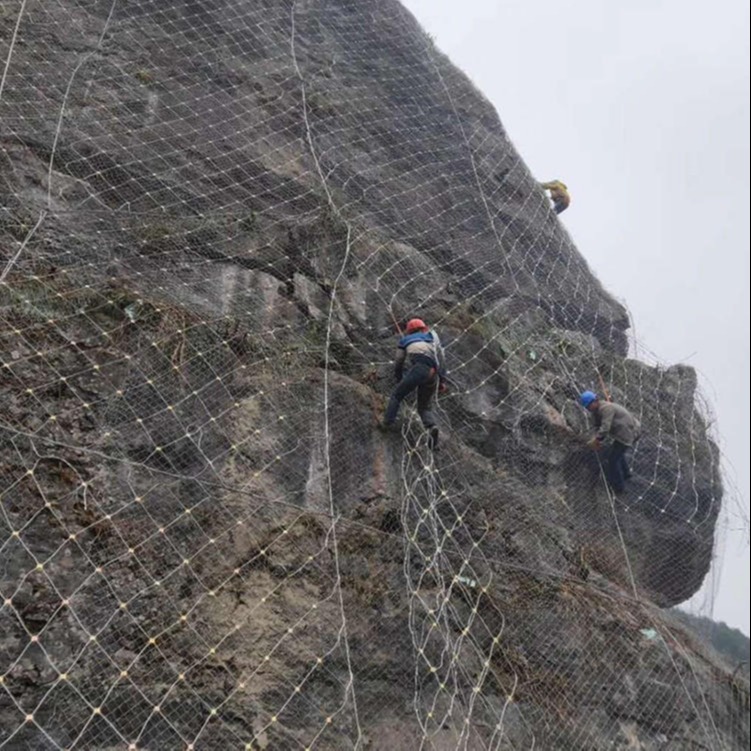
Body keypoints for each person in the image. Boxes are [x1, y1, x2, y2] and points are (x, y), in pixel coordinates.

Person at [382, 318, 446, 450]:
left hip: (420, 369)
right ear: (423, 328)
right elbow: (441, 359)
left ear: (409, 331)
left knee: (397, 396)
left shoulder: (405, 340)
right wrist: (442, 381)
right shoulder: (431, 338)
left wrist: (399, 378)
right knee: (424, 407)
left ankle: (387, 422)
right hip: (433, 373)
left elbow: (399, 362)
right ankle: (432, 429)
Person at [579, 391, 641, 493]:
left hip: (628, 433)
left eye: (588, 406)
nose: (588, 409)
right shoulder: (597, 411)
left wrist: (597, 440)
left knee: (612, 460)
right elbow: (596, 426)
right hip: (624, 432)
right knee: (617, 453)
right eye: (586, 407)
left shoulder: (606, 408)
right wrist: (594, 436)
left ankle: (619, 487)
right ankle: (626, 474)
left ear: (594, 402)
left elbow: (605, 428)